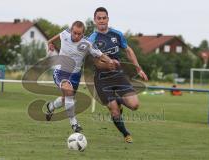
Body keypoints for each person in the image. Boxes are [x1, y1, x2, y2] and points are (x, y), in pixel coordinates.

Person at [88, 7, 148, 143]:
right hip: (102, 79)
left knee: (134, 105)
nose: (102, 20)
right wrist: (107, 64)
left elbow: (128, 50)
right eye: (99, 18)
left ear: (108, 19)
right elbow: (96, 63)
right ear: (95, 21)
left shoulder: (117, 34)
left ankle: (119, 100)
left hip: (118, 75)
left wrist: (138, 69)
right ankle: (126, 134)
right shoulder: (91, 40)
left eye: (104, 18)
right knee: (114, 110)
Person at [46, 21, 116, 132]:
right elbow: (51, 40)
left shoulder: (87, 43)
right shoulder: (64, 34)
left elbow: (100, 54)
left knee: (66, 99)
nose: (76, 36)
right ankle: (74, 123)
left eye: (79, 34)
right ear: (71, 30)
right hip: (61, 71)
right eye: (74, 33)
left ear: (83, 34)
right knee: (68, 91)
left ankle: (51, 107)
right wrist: (50, 44)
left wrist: (110, 61)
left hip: (75, 75)